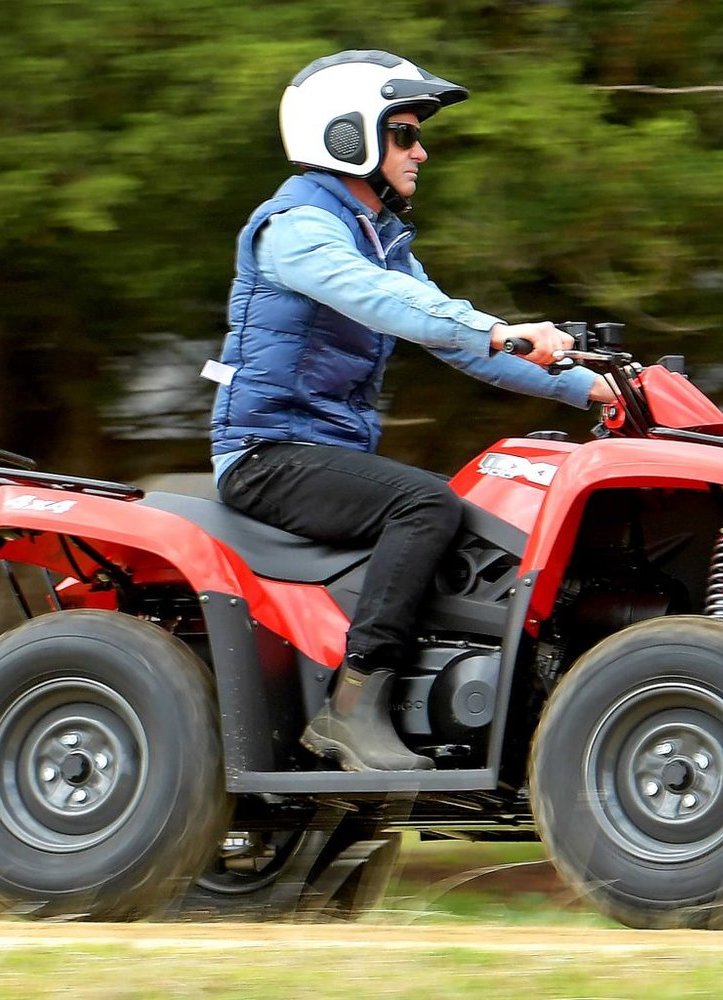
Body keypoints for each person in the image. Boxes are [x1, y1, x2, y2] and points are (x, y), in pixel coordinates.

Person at [208, 50, 615, 771]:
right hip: (267, 455)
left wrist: (593, 389)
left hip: (327, 456)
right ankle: (353, 705)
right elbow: (389, 303)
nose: (421, 152)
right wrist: (497, 328)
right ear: (345, 136)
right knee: (426, 504)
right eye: (404, 134)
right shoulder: (297, 227)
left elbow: (458, 343)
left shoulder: (377, 238)